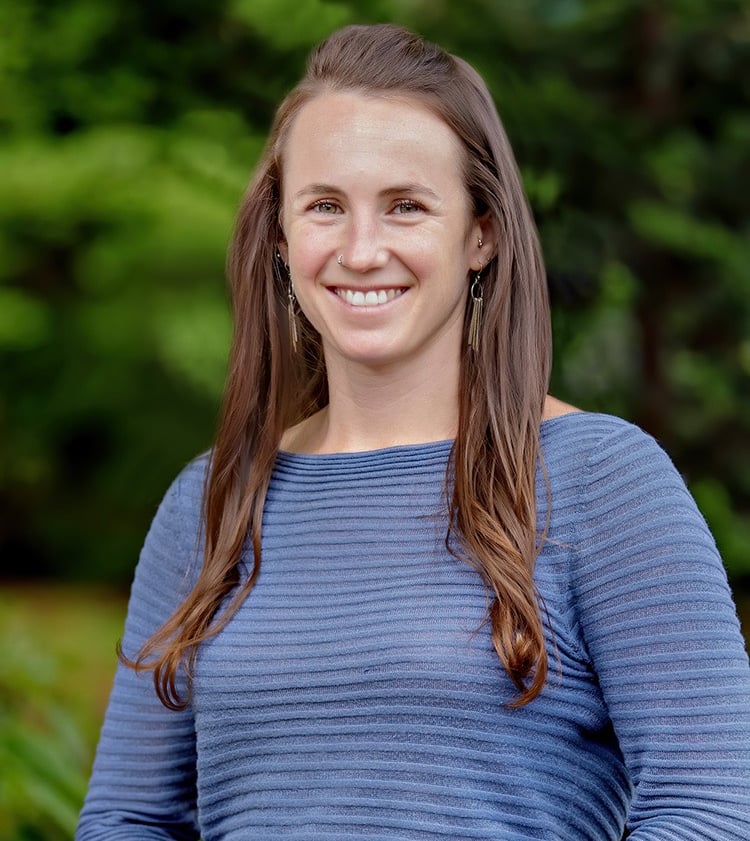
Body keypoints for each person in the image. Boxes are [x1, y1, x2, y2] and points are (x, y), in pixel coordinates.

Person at [76, 23, 750, 841]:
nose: (362, 250)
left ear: (481, 234)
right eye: (325, 206)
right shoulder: (212, 501)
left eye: (406, 206)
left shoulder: (601, 478)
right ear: (283, 238)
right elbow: (127, 818)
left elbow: (711, 809)